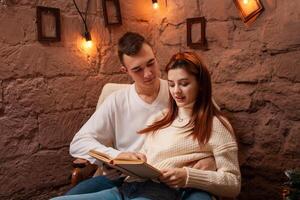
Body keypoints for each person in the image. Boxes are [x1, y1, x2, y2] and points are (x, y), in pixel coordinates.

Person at [52, 52, 241, 200]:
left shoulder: (215, 125)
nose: (176, 91)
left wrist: (188, 175)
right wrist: (126, 164)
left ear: (200, 85)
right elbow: (147, 158)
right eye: (172, 84)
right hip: (127, 185)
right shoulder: (160, 118)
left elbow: (233, 183)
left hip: (159, 192)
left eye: (184, 84)